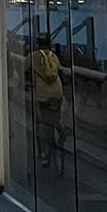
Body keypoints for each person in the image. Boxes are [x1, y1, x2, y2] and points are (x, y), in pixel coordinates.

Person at [26, 39, 65, 170]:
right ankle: (61, 130)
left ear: (37, 44)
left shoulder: (32, 56)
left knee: (40, 123)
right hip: (57, 93)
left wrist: (26, 84)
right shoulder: (53, 56)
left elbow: (24, 70)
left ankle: (43, 154)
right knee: (56, 117)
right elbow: (60, 71)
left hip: (42, 95)